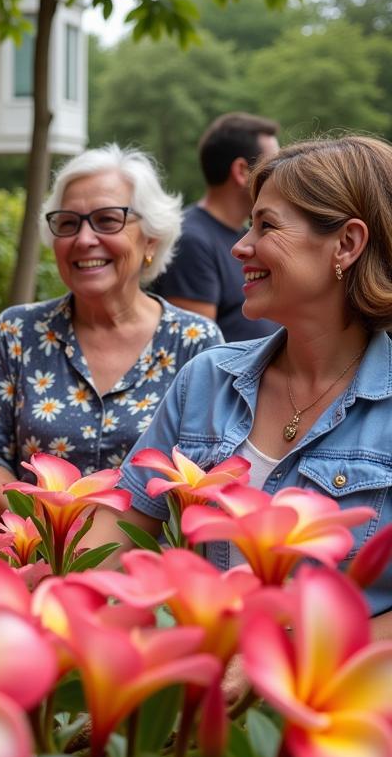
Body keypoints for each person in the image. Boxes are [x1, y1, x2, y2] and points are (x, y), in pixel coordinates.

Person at [115, 135, 392, 620]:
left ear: (346, 244)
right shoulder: (206, 379)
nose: (240, 247)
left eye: (266, 226)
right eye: (247, 225)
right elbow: (112, 536)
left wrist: (277, 654)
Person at [0, 144, 223, 521]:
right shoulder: (18, 332)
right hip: (37, 561)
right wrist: (51, 530)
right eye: (68, 223)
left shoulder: (197, 343)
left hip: (152, 570)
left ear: (150, 237)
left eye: (107, 219)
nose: (83, 239)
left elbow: (210, 470)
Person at [153, 112, 281, 341]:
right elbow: (192, 345)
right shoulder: (191, 240)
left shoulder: (246, 237)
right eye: (272, 166)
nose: (281, 177)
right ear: (241, 171)